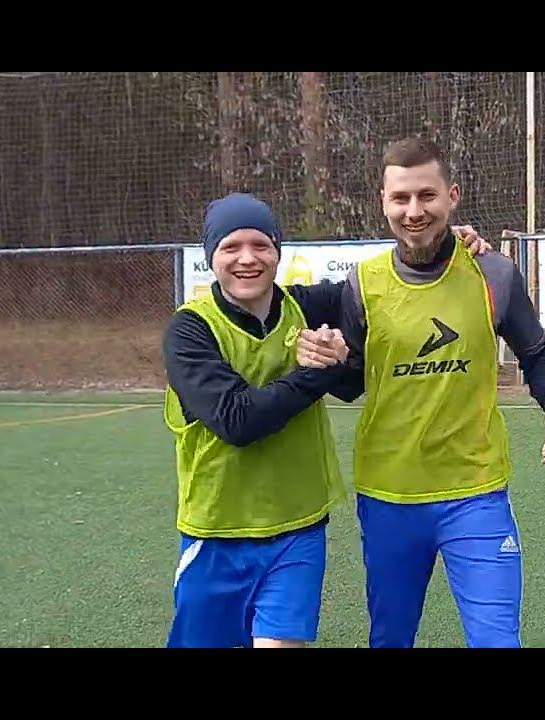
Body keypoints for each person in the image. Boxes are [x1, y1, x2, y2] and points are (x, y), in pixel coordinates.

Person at [163, 191, 491, 648]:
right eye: (230, 247)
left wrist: (439, 243)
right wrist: (320, 373)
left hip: (298, 528)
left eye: (260, 245)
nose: (247, 259)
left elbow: (386, 284)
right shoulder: (190, 329)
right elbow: (237, 421)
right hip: (217, 531)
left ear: (278, 251)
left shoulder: (309, 306)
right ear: (210, 257)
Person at [298, 137, 545, 648]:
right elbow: (355, 382)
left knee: (498, 640)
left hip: (476, 493)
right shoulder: (363, 284)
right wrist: (330, 362)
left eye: (426, 195)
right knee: (391, 639)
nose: (414, 211)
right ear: (383, 202)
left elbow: (536, 354)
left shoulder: (493, 273)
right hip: (389, 496)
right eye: (400, 198)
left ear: (452, 196)